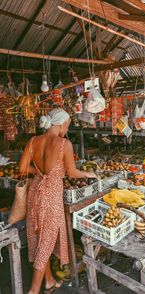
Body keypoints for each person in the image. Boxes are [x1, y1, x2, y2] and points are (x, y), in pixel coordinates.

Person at [19, 108, 96, 294]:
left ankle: (48, 281)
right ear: (61, 123)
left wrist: (40, 173)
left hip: (35, 192)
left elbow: (22, 168)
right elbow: (72, 172)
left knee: (37, 239)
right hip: (51, 195)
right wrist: (88, 173)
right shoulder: (64, 144)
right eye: (66, 126)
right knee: (46, 243)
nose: (66, 130)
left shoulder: (33, 141)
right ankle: (34, 290)